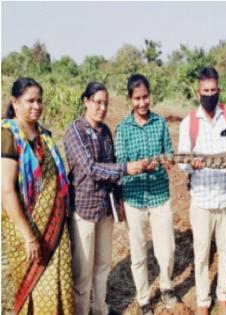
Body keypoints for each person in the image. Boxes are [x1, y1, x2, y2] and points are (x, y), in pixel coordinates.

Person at [64, 82, 145, 315]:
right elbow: (91, 168)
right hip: (84, 210)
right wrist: (125, 169)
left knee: (102, 266)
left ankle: (100, 309)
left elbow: (111, 166)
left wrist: (119, 196)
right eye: (97, 102)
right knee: (83, 272)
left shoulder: (105, 131)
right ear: (86, 102)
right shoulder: (75, 131)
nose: (102, 108)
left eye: (105, 103)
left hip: (104, 209)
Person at [178, 67, 226, 315]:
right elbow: (182, 160)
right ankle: (202, 301)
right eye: (205, 91)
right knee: (201, 253)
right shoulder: (189, 122)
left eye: (213, 90)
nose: (210, 95)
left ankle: (224, 297)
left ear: (218, 90)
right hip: (202, 200)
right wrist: (191, 164)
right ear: (198, 93)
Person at [1, 77, 74, 314]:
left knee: (60, 284)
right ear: (15, 102)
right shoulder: (7, 135)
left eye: (40, 100)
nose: (37, 106)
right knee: (34, 289)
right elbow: (6, 189)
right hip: (27, 230)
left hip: (54, 228)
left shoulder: (45, 135)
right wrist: (29, 236)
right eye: (30, 100)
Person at [115, 74, 177, 315]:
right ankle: (143, 299)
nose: (142, 103)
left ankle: (167, 286)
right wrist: (139, 165)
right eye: (137, 98)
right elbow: (121, 165)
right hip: (134, 198)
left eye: (145, 97)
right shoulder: (123, 129)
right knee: (138, 251)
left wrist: (163, 162)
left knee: (167, 248)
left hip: (159, 194)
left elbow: (169, 154)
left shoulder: (160, 123)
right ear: (130, 100)